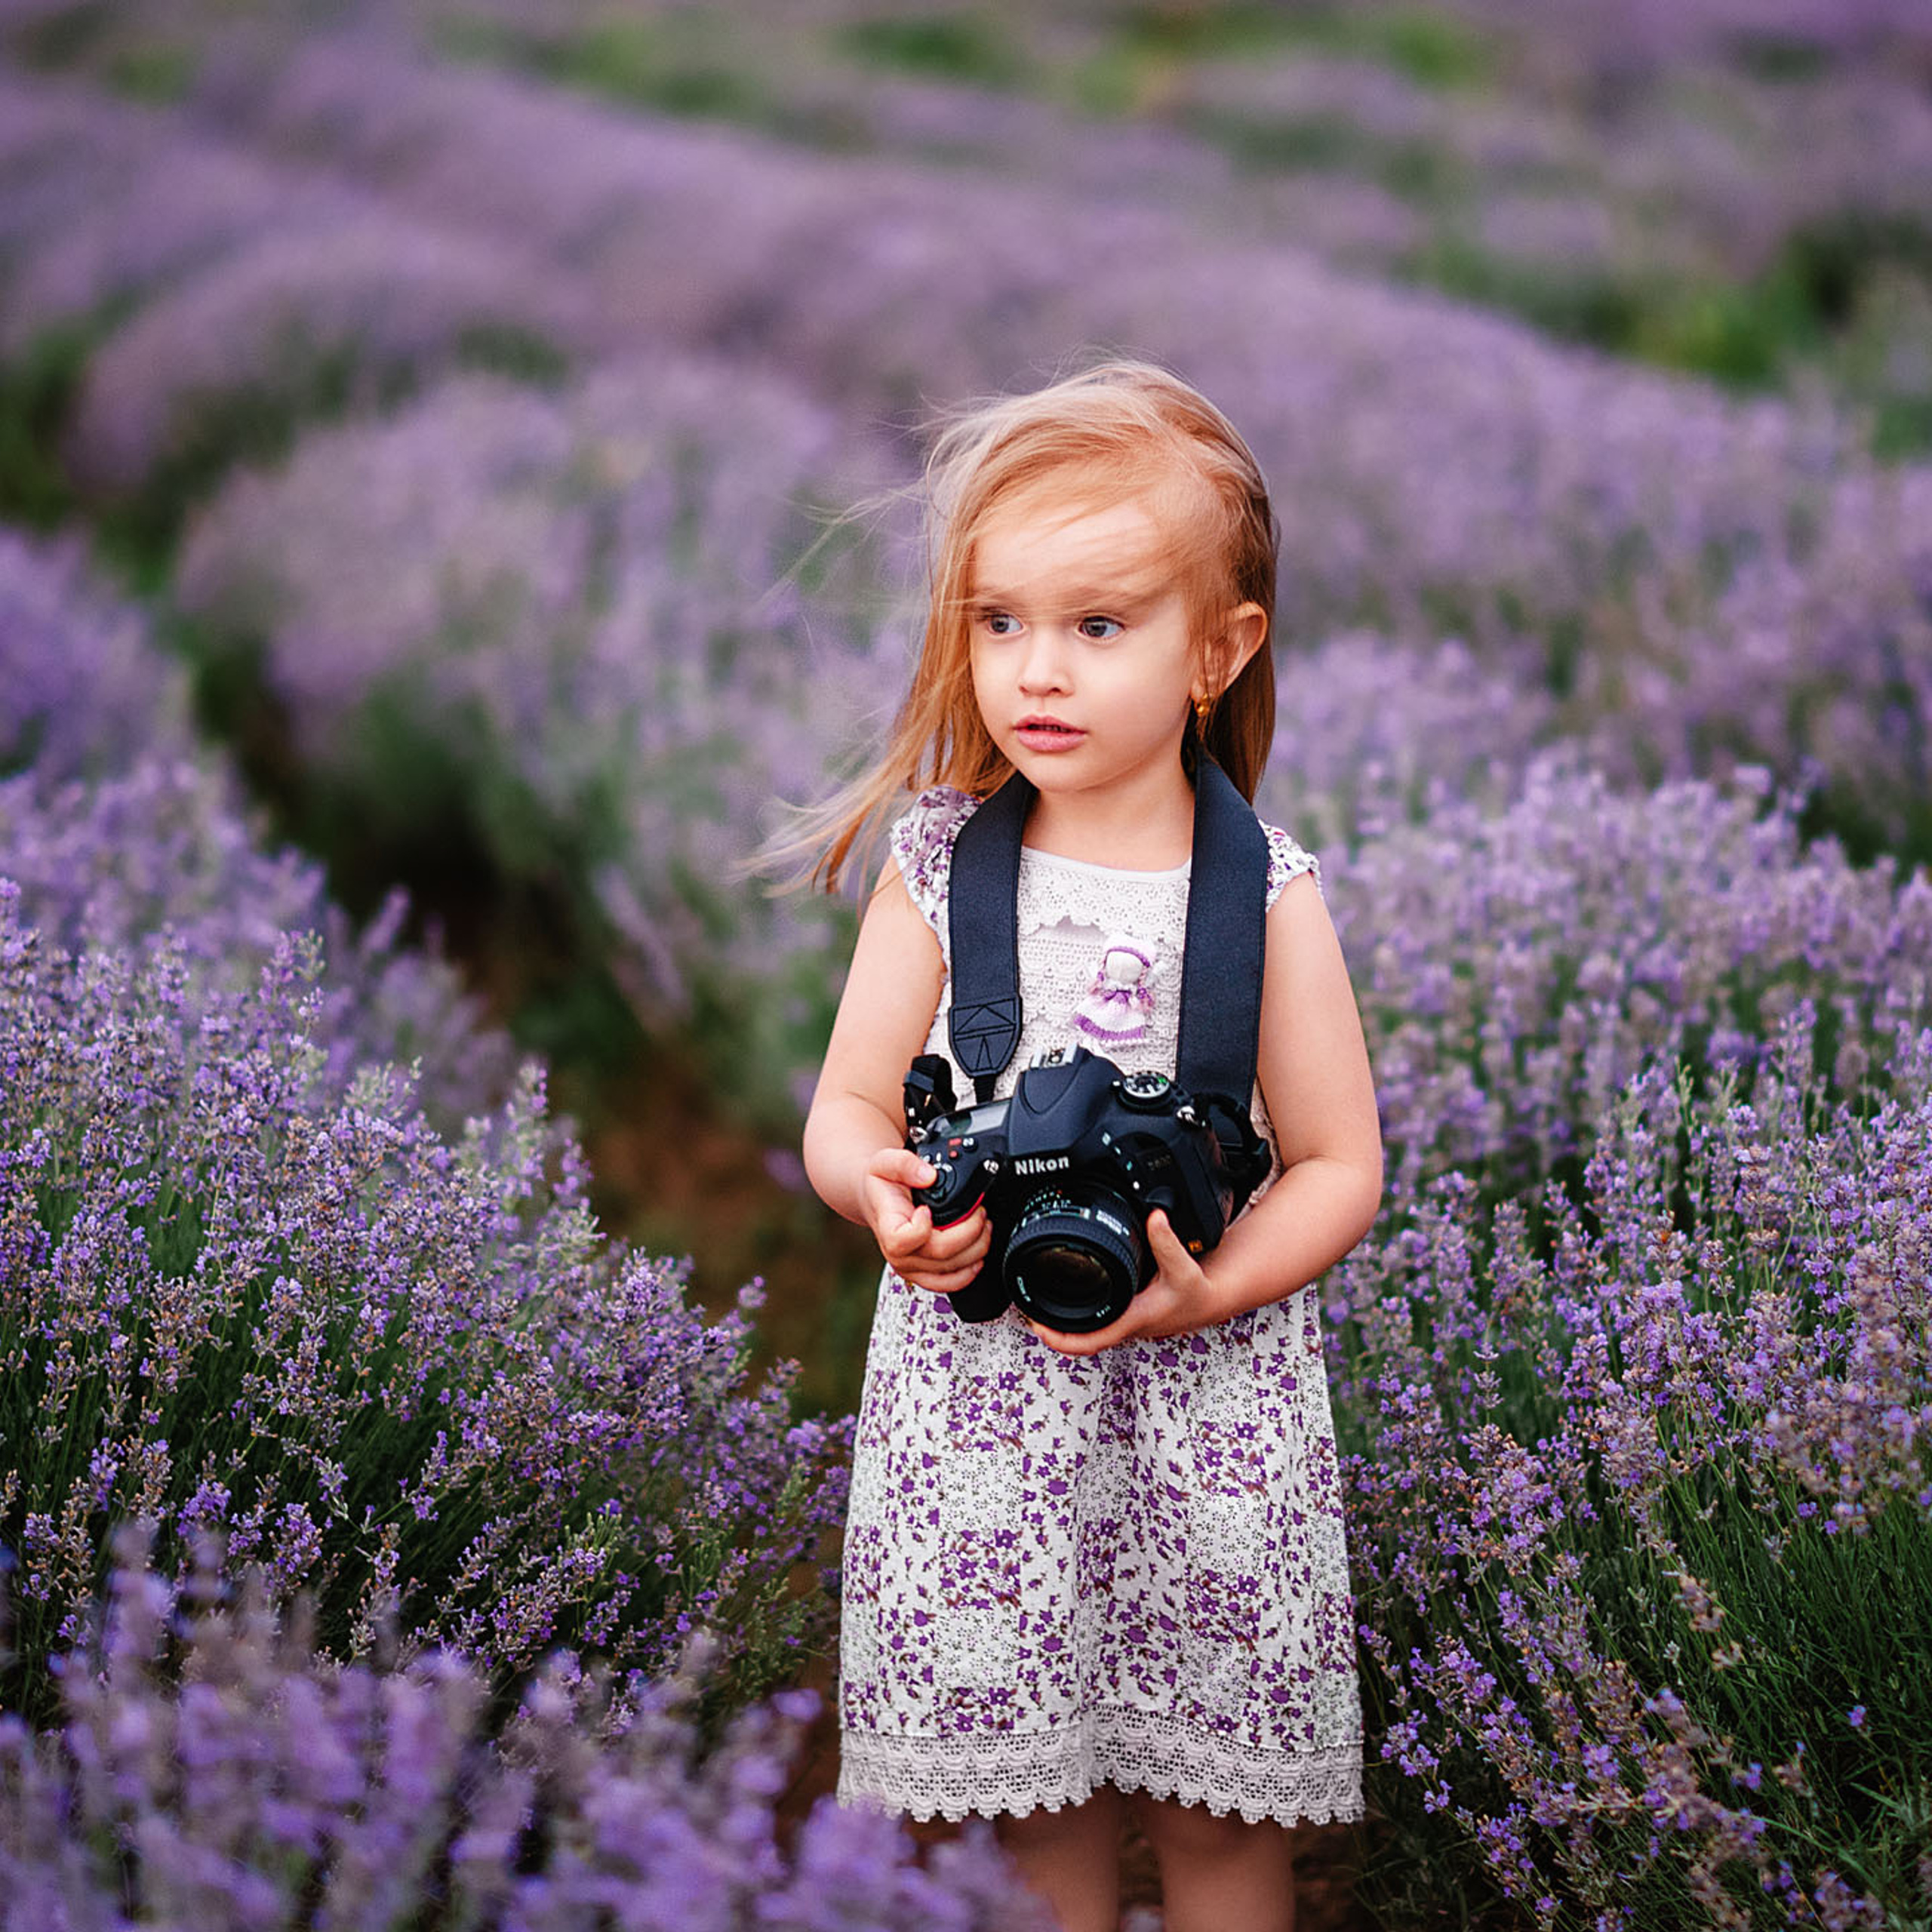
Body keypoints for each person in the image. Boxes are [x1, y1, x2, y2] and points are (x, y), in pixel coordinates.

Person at [800, 360, 1383, 1932]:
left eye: (1096, 625)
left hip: (1211, 1409)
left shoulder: (1263, 891)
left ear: (1219, 648)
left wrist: (1210, 1285)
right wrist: (885, 1198)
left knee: (1213, 1816)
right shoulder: (938, 864)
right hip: (983, 1414)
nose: (1034, 672)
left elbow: (1337, 1161)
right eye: (999, 623)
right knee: (1028, 1815)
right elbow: (845, 1108)